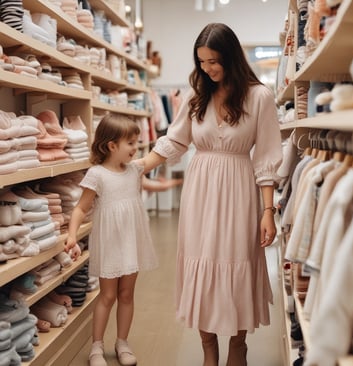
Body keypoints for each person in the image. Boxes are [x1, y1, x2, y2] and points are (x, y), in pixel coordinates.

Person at [136, 23, 283, 366]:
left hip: (239, 187)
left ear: (231, 57)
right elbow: (175, 141)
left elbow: (266, 159)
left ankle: (238, 346)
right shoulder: (195, 93)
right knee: (200, 261)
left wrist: (267, 212)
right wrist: (137, 166)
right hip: (200, 189)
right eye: (201, 62)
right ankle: (208, 349)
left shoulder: (259, 96)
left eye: (214, 61)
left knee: (238, 260)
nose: (208, 69)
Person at [65, 113, 158, 366]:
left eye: (136, 142)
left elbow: (161, 152)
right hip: (110, 243)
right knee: (107, 296)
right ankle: (97, 346)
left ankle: (122, 342)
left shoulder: (135, 169)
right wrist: (72, 236)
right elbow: (80, 209)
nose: (135, 147)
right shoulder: (96, 174)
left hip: (131, 242)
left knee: (127, 294)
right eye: (130, 142)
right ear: (111, 146)